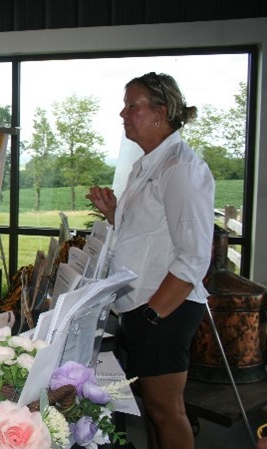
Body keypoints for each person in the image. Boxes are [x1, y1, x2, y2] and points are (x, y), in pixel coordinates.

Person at [86, 72, 214, 449]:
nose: (122, 113)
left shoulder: (181, 168)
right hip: (143, 305)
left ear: (160, 112)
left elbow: (193, 255)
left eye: (132, 106)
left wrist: (153, 314)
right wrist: (113, 214)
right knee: (152, 411)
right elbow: (149, 235)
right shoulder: (151, 163)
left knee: (166, 410)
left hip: (163, 309)